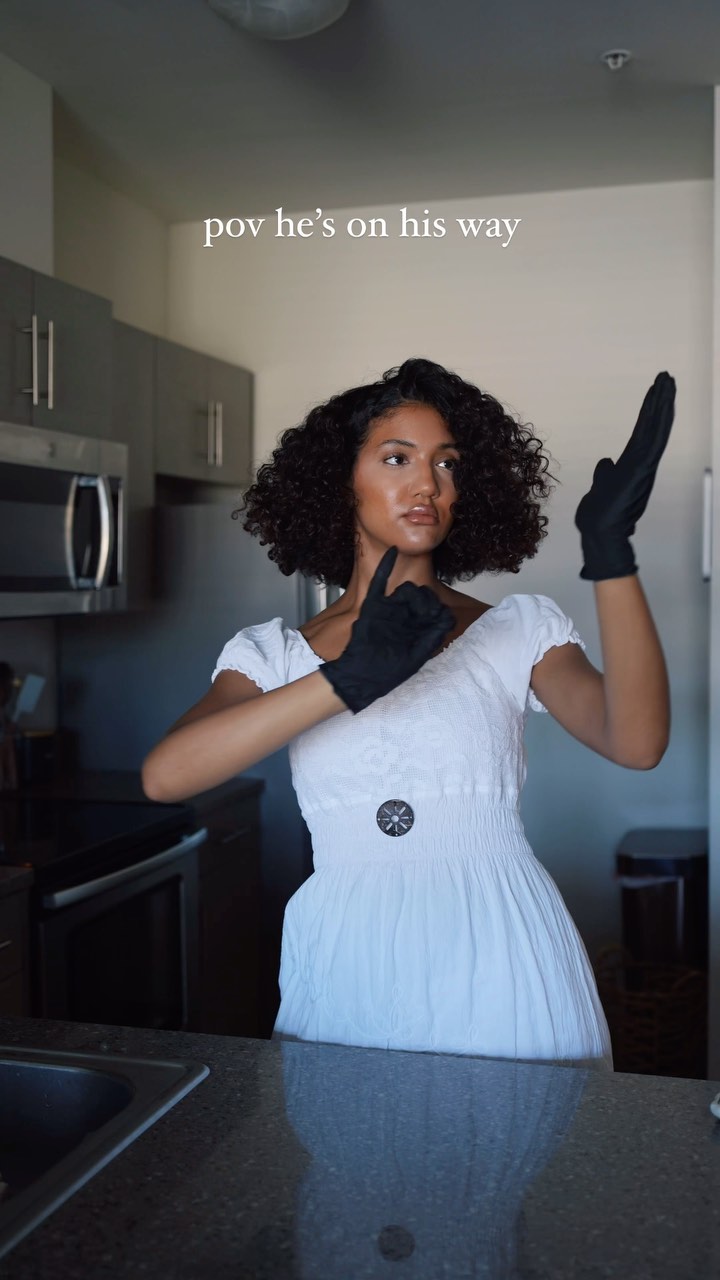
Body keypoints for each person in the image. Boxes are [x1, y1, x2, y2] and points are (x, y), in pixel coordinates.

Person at [142, 358, 674, 1067]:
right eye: (397, 458)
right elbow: (166, 776)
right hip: (347, 961)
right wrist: (345, 680)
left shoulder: (513, 630)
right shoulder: (274, 653)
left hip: (506, 955)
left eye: (446, 464)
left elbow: (637, 743)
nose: (428, 484)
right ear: (341, 481)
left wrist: (611, 554)